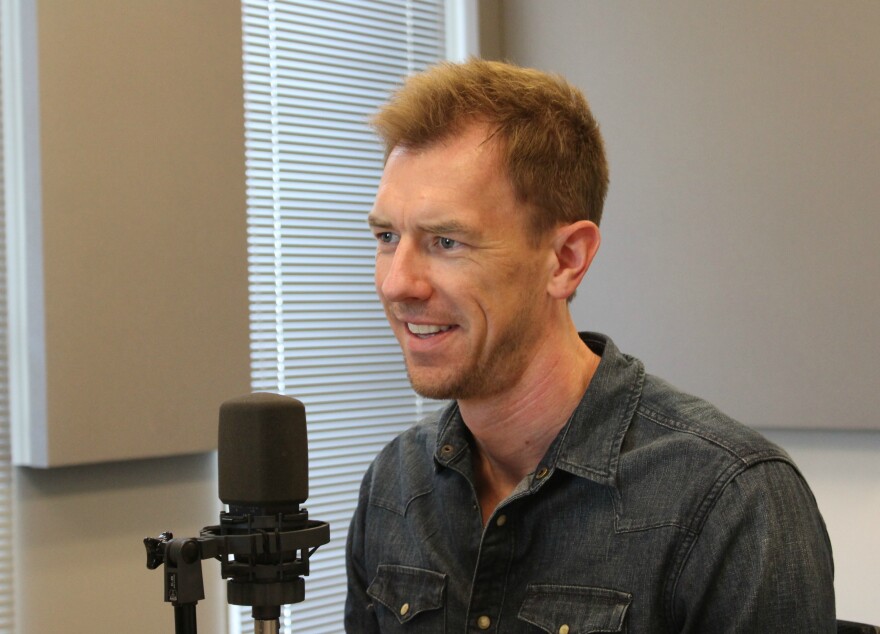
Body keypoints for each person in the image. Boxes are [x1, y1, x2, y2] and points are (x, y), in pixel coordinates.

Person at [345, 59, 835, 633]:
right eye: (387, 237)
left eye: (447, 241)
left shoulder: (732, 503)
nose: (397, 283)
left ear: (566, 260)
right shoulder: (395, 486)